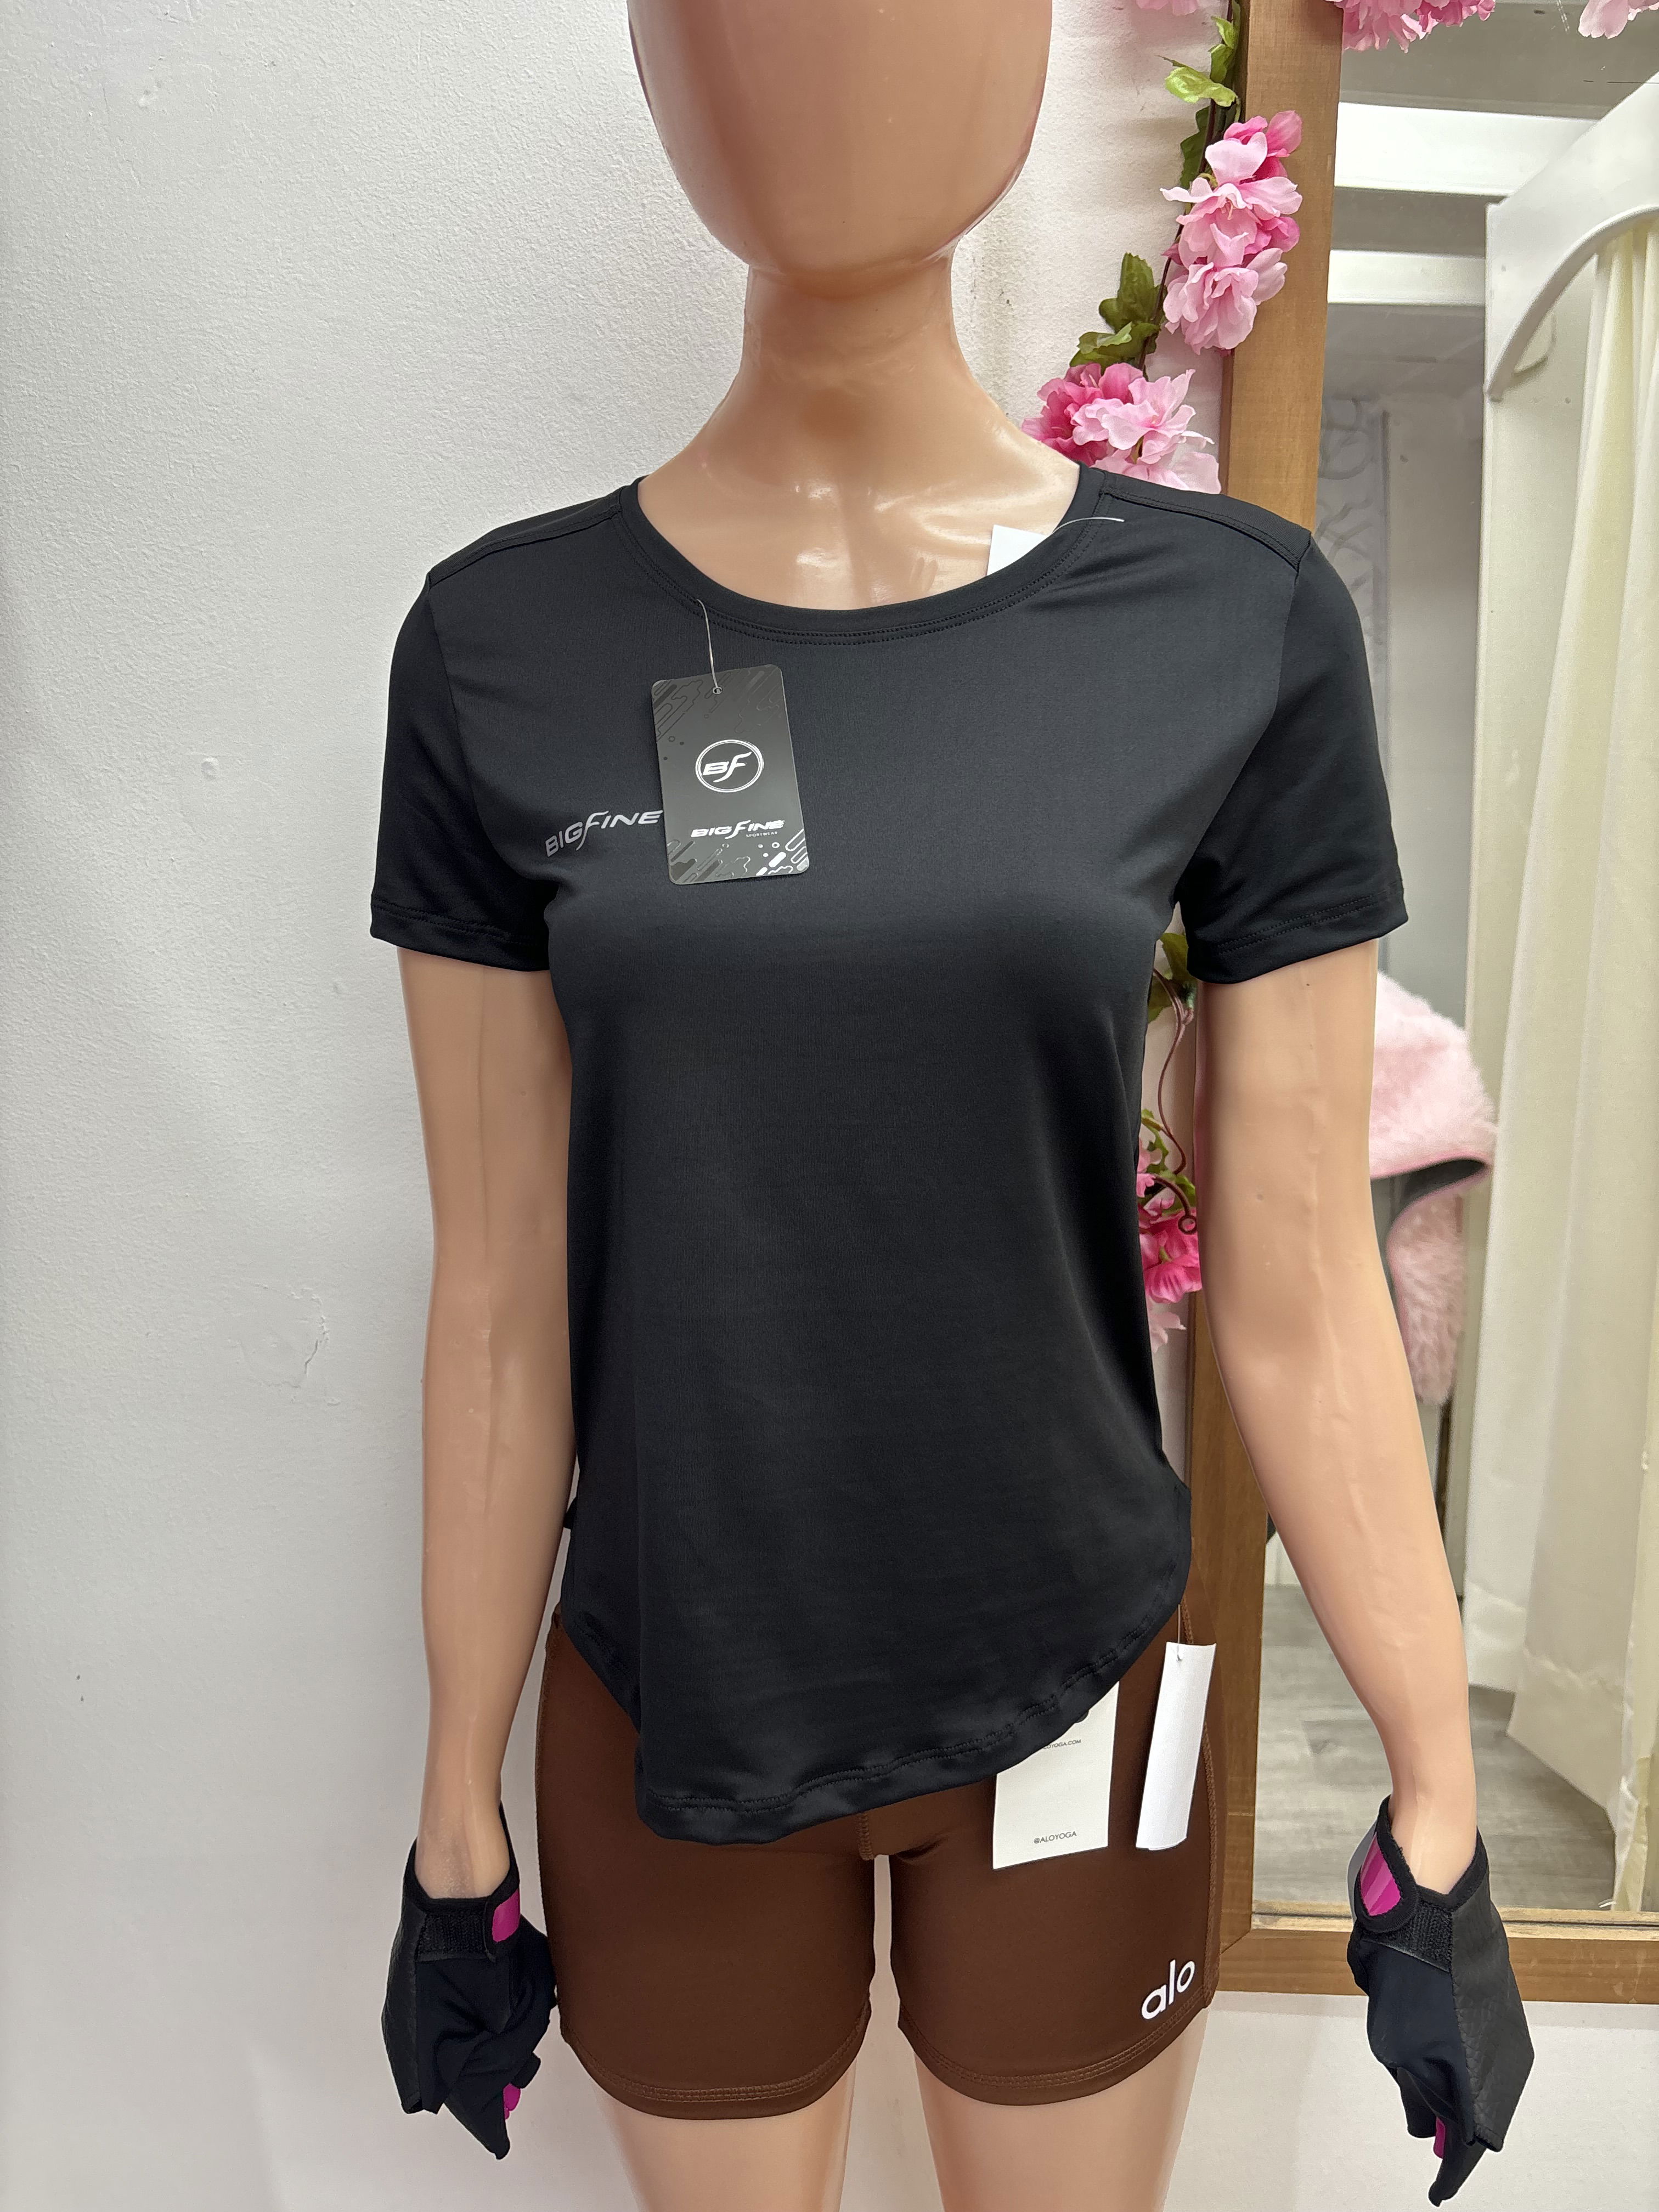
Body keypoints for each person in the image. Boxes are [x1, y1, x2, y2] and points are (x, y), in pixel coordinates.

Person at [371, 5, 1525, 2207]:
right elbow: (502, 1299)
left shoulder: (1227, 621)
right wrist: (453, 1804)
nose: (815, 54)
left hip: (1080, 1673)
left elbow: (1299, 1282)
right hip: (675, 1690)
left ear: (1022, 66)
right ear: (655, 69)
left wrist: (1436, 1777)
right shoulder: (502, 648)